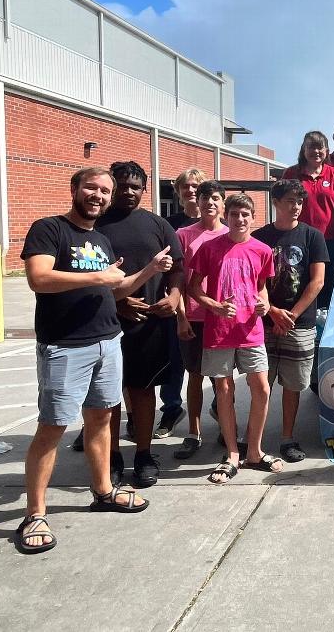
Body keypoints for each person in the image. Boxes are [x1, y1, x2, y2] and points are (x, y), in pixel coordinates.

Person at [16, 167, 171, 553]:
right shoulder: (49, 229)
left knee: (102, 419)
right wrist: (96, 278)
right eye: (91, 187)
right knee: (52, 427)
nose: (98, 195)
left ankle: (103, 491)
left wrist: (150, 270)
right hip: (66, 346)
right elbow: (39, 277)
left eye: (105, 190)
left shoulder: (100, 239)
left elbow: (114, 286)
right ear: (75, 189)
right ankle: (35, 514)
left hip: (108, 341)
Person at [96, 161, 184, 488]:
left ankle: (144, 454)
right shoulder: (94, 226)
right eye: (123, 185)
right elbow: (83, 275)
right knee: (108, 396)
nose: (129, 191)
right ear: (112, 186)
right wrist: (115, 302)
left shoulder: (158, 225)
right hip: (104, 325)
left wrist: (175, 296)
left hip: (148, 326)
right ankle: (114, 455)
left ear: (145, 189)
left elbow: (177, 268)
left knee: (143, 390)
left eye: (136, 186)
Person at [188, 193, 283, 484]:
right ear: (225, 217)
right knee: (224, 391)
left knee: (262, 389)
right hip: (218, 332)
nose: (239, 220)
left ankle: (254, 451)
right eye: (234, 214)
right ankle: (231, 454)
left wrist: (265, 305)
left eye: (245, 214)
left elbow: (262, 287)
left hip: (250, 330)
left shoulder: (263, 250)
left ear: (253, 217)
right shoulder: (209, 248)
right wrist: (215, 306)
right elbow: (194, 288)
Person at [252, 179, 328, 462]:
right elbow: (252, 281)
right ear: (276, 203)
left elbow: (317, 281)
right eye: (289, 202)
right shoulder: (260, 237)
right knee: (261, 383)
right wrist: (272, 311)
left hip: (300, 323)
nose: (296, 207)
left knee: (294, 385)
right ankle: (254, 440)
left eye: (299, 202)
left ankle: (287, 438)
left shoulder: (313, 236)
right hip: (263, 322)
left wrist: (292, 315)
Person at [173, 180, 229, 459]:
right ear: (198, 201)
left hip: (222, 318)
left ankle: (226, 426)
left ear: (222, 204)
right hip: (193, 316)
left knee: (223, 377)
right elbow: (178, 281)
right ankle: (193, 433)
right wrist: (181, 317)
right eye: (205, 197)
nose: (210, 202)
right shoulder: (183, 235)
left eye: (216, 198)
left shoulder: (233, 234)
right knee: (194, 377)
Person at [156, 168, 207, 440]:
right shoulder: (169, 225)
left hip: (208, 308)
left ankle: (217, 410)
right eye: (185, 186)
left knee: (211, 368)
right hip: (178, 303)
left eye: (196, 185)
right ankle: (172, 408)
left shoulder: (217, 220)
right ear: (177, 191)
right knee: (175, 361)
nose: (191, 190)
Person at [282, 130, 334, 311]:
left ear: (327, 151)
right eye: (311, 147)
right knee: (299, 281)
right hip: (300, 239)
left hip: (330, 239)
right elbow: (282, 202)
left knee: (327, 282)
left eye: (320, 147)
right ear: (303, 150)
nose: (316, 152)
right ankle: (300, 318)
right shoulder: (291, 173)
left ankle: (323, 327)